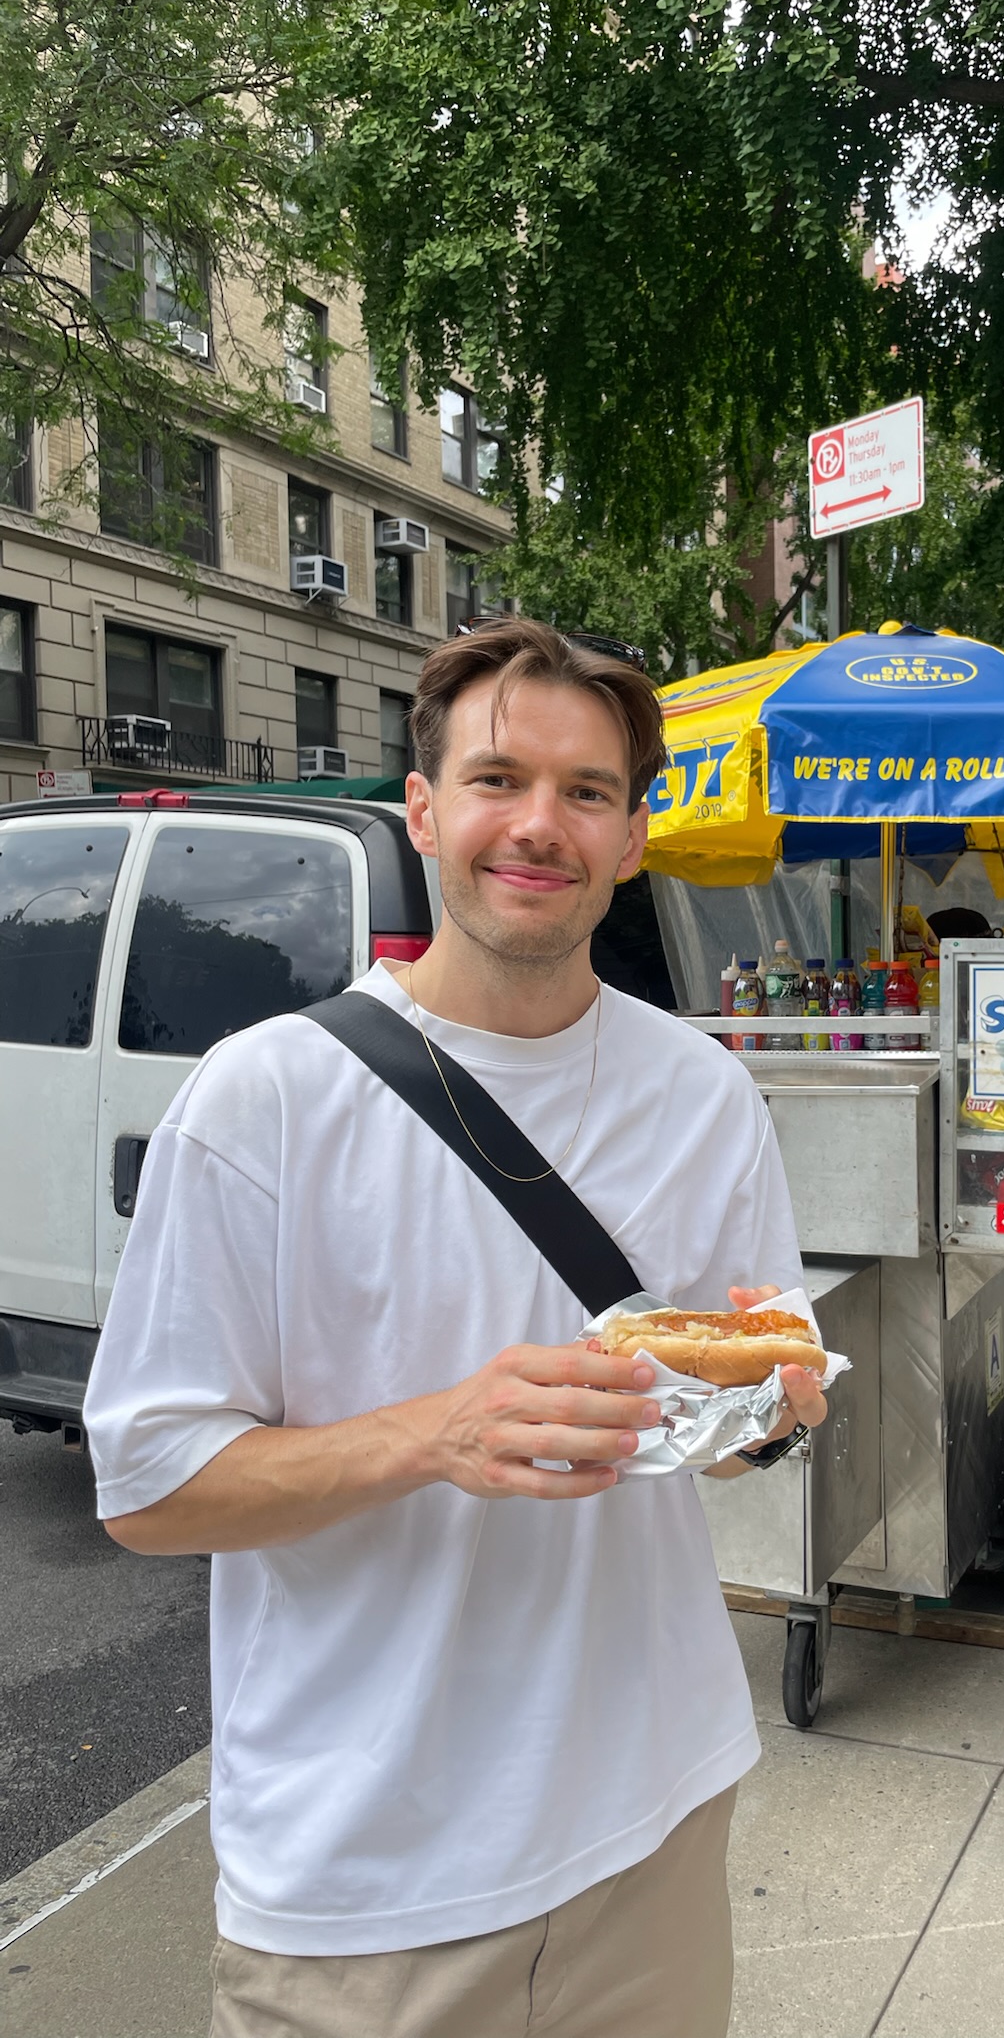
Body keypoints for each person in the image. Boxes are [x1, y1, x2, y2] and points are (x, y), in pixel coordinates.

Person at [82, 618, 829, 2037]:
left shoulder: (706, 1093)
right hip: (369, 1882)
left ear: (631, 838)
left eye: (589, 792)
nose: (539, 824)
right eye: (498, 779)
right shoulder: (264, 1102)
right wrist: (437, 1434)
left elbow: (731, 1426)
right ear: (424, 810)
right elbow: (148, 1487)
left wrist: (771, 1415)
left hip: (653, 1826)